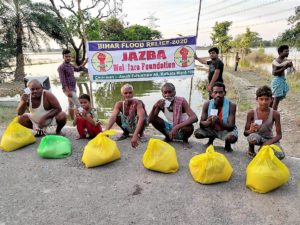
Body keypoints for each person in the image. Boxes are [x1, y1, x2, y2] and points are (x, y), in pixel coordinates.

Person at [148, 83, 198, 149]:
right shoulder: (162, 103)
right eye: (165, 93)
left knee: (189, 127)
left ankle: (185, 140)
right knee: (154, 120)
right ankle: (168, 137)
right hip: (170, 126)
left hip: (182, 127)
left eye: (170, 92)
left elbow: (194, 118)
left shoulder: (181, 101)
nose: (167, 95)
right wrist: (154, 107)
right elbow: (150, 120)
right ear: (162, 94)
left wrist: (177, 127)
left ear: (174, 92)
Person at [194, 82, 238, 152]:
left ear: (225, 93)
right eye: (215, 92)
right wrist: (208, 122)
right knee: (197, 133)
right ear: (212, 94)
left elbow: (231, 127)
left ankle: (227, 144)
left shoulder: (231, 105)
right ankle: (210, 141)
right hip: (212, 128)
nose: (218, 95)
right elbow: (201, 124)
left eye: (221, 92)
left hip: (225, 129)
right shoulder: (207, 104)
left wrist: (219, 121)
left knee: (231, 138)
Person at [244, 85, 285, 159]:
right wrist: (251, 130)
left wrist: (266, 143)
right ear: (257, 99)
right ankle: (251, 151)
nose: (264, 102)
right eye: (261, 99)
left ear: (271, 100)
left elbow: (279, 135)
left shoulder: (275, 114)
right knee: (251, 137)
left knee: (280, 155)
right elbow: (245, 133)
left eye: (267, 99)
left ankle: (263, 152)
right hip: (257, 137)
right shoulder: (251, 113)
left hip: (269, 138)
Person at [106, 84, 147, 148]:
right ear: (122, 94)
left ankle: (141, 133)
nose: (128, 95)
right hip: (128, 124)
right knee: (117, 116)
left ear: (133, 93)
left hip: (137, 124)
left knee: (142, 116)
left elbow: (141, 117)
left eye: (130, 92)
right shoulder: (119, 104)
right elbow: (113, 117)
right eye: (126, 93)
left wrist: (135, 135)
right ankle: (126, 133)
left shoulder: (138, 103)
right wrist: (106, 131)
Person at [58, 49, 87, 120]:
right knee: (78, 105)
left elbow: (78, 69)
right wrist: (67, 91)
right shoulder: (61, 67)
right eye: (66, 56)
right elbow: (63, 80)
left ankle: (73, 121)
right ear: (63, 57)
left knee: (71, 105)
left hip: (73, 88)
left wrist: (85, 62)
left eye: (69, 56)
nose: (68, 58)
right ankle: (85, 119)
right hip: (68, 90)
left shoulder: (70, 65)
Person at [271, 45, 293, 110]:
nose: (288, 53)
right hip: (277, 81)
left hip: (281, 80)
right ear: (280, 52)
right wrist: (285, 67)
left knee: (274, 99)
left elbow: (290, 68)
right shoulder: (276, 61)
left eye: (288, 51)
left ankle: (270, 114)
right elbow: (274, 73)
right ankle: (273, 116)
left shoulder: (284, 60)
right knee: (276, 100)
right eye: (286, 51)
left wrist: (289, 65)